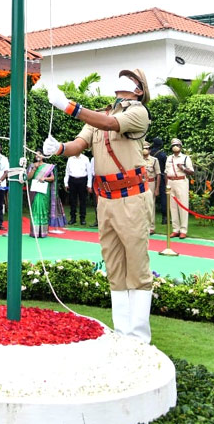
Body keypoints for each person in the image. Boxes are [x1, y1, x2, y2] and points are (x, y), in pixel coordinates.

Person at [44, 68, 153, 342]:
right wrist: (58, 148)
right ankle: (122, 331)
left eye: (130, 78)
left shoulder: (138, 112)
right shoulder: (100, 114)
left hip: (131, 196)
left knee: (136, 265)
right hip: (105, 199)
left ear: (139, 89)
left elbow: (110, 126)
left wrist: (69, 106)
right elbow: (78, 145)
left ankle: (139, 336)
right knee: (114, 265)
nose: (123, 79)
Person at [165, 138, 194, 239]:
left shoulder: (186, 158)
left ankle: (183, 229)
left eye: (177, 145)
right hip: (170, 181)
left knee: (183, 205)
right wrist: (166, 185)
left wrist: (183, 168)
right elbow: (166, 172)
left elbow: (192, 172)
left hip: (181, 181)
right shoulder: (169, 158)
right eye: (173, 145)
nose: (175, 147)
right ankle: (175, 229)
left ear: (181, 147)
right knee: (172, 206)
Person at [26, 151, 55, 238]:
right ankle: (34, 231)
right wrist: (34, 168)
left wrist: (45, 178)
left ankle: (43, 231)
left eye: (40, 154)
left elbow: (52, 178)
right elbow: (28, 177)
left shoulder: (48, 167)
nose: (38, 155)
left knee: (43, 208)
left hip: (43, 191)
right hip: (34, 190)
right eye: (36, 154)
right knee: (35, 208)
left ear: (43, 156)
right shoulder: (32, 165)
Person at [64, 151, 92, 225]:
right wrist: (66, 183)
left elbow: (89, 172)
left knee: (83, 200)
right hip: (72, 180)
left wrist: (89, 185)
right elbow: (67, 171)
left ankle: (82, 218)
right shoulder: (70, 159)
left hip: (82, 180)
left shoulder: (85, 159)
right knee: (72, 200)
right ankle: (73, 218)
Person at [142, 141, 161, 234]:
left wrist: (157, 188)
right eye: (143, 148)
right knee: (141, 205)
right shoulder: (138, 159)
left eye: (146, 148)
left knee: (151, 204)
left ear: (149, 150)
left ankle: (151, 226)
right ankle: (143, 226)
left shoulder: (154, 160)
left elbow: (158, 174)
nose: (145, 150)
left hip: (151, 183)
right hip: (141, 183)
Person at [150, 137, 168, 224]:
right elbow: (166, 168)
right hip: (161, 176)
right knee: (163, 197)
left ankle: (149, 219)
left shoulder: (149, 153)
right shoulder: (162, 155)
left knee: (150, 198)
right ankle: (164, 218)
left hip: (151, 178)